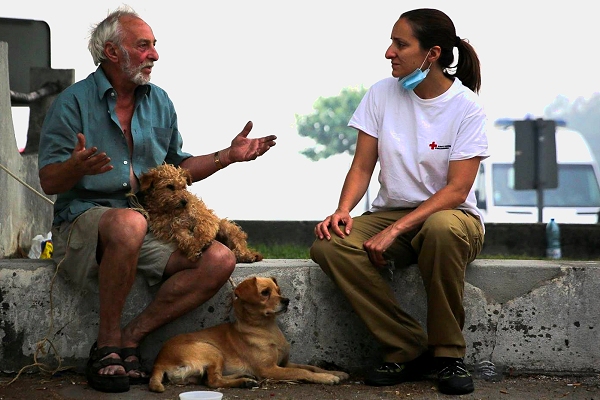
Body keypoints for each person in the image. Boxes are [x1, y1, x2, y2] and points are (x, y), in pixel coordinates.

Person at [38, 6, 276, 393]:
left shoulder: (159, 101)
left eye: (154, 46)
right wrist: (77, 167)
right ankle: (108, 345)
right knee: (130, 222)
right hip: (84, 222)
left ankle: (131, 338)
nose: (154, 55)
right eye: (143, 46)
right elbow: (49, 178)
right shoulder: (73, 103)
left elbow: (177, 169)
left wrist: (226, 157)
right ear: (112, 52)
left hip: (145, 223)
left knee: (220, 258)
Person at [310, 8, 488, 396]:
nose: (389, 52)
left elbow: (457, 190)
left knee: (440, 230)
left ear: (433, 53)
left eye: (400, 44)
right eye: (391, 42)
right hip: (393, 213)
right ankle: (406, 346)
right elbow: (362, 165)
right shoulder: (380, 94)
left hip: (452, 217)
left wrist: (396, 230)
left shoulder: (466, 108)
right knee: (331, 246)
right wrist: (343, 210)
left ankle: (447, 355)